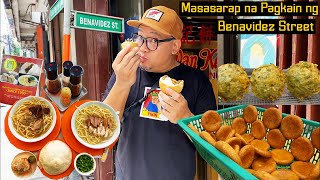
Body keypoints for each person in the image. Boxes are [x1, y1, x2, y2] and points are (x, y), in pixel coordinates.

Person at [103, 6, 217, 180]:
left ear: (175, 46)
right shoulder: (125, 73)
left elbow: (211, 147)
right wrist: (121, 84)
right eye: (140, 37)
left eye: (153, 40)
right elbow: (104, 128)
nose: (142, 47)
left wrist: (185, 118)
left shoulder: (197, 82)